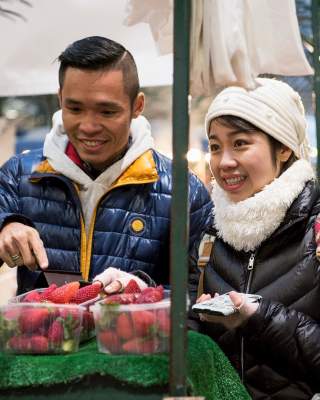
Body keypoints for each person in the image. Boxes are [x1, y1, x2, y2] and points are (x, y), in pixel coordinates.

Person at [0, 36, 212, 296]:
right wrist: (5, 226)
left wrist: (140, 291)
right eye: (75, 108)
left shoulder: (183, 190)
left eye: (107, 112)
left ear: (138, 106)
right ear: (60, 99)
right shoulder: (19, 174)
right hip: (44, 336)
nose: (88, 126)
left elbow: (197, 296)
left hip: (137, 336)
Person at [192, 78, 320, 399]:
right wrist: (198, 320)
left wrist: (258, 317)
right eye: (215, 146)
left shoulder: (314, 229)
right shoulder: (208, 231)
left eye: (240, 144)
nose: (223, 162)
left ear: (283, 146)